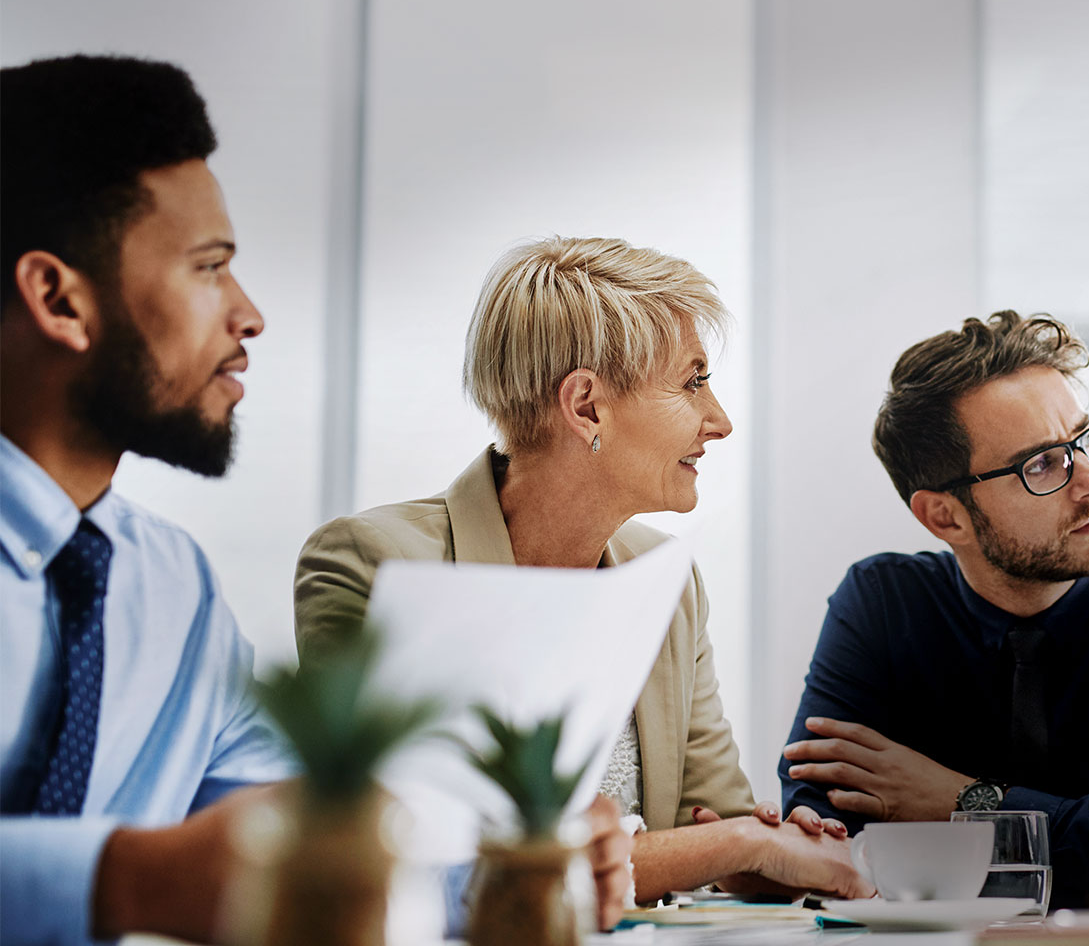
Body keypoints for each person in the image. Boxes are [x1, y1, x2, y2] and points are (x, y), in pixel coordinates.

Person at [0, 54, 623, 943]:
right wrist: (126, 882)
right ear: (60, 299)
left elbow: (295, 832)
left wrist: (510, 867)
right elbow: (167, 877)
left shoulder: (170, 588)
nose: (249, 315)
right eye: (209, 268)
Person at [294, 237, 869, 903]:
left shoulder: (667, 579)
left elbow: (712, 817)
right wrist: (730, 845)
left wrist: (763, 853)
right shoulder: (374, 562)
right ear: (588, 406)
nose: (721, 421)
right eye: (693, 382)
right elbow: (413, 858)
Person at [779, 311, 1089, 910]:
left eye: (1084, 439)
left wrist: (966, 804)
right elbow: (824, 840)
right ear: (946, 516)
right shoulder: (882, 604)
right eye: (1042, 465)